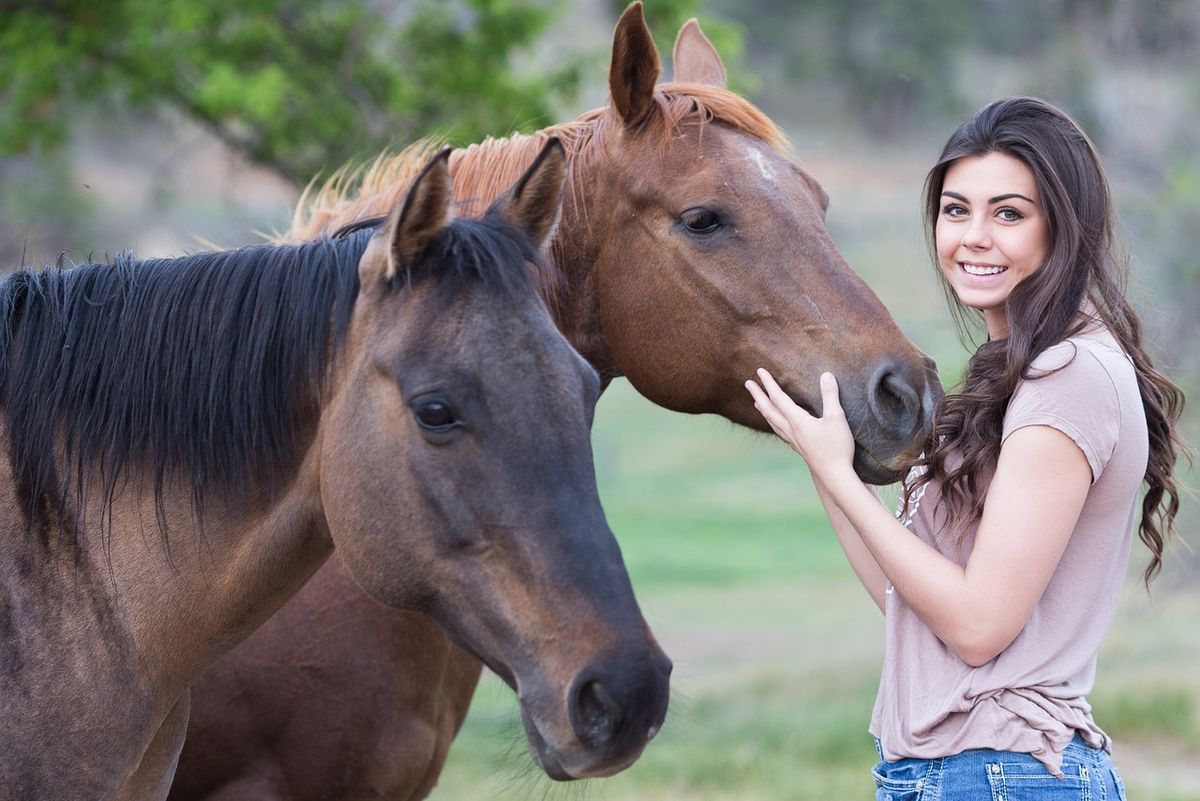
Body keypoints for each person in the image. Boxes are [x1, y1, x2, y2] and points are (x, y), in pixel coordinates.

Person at [745, 96, 1186, 798]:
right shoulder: (1018, 368)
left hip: (1002, 774)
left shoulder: (1067, 374)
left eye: (1008, 213)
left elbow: (978, 627)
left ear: (1063, 227)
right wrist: (826, 466)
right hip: (964, 773)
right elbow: (910, 609)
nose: (973, 237)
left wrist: (841, 476)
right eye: (956, 210)